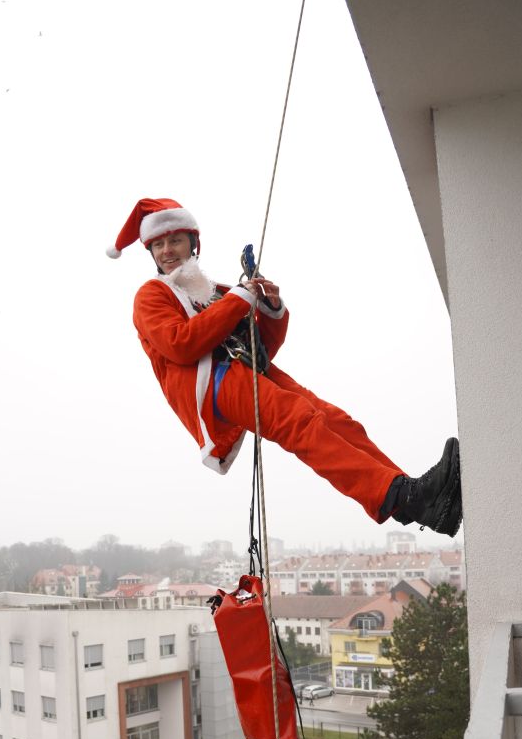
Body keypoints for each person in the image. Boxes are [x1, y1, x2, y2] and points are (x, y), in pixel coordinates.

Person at [107, 199, 462, 536]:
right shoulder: (152, 295)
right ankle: (403, 496)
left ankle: (411, 500)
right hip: (209, 382)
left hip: (244, 370)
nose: (167, 250)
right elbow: (181, 345)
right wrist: (239, 299)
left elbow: (263, 349)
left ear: (192, 244)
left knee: (336, 421)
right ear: (151, 254)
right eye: (159, 245)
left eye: (175, 241)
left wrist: (271, 309)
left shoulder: (215, 291)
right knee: (300, 423)